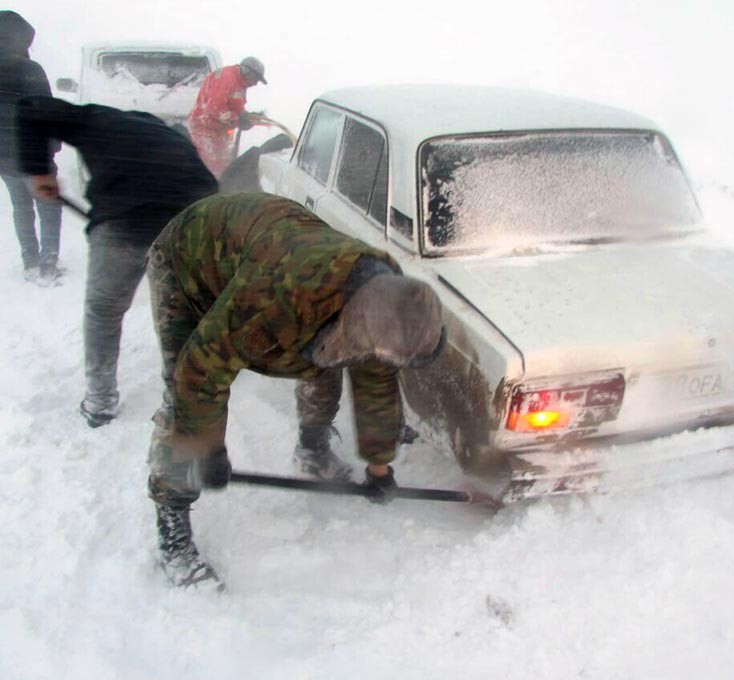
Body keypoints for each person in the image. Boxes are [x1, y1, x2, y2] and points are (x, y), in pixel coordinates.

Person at [146, 192, 445, 589]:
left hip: (269, 248)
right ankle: (173, 530)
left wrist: (379, 464)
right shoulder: (273, 299)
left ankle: (312, 448)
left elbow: (376, 379)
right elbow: (201, 372)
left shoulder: (388, 296)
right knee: (182, 396)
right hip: (188, 260)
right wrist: (207, 449)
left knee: (324, 363)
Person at [15, 96, 219, 427]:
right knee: (182, 315)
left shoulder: (100, 119)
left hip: (128, 223)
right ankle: (183, 402)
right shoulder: (176, 139)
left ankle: (100, 402)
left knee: (104, 311)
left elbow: (30, 107)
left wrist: (38, 170)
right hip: (193, 224)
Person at [0, 11, 62, 283]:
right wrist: (52, 146)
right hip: (33, 154)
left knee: (21, 205)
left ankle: (30, 260)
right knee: (48, 205)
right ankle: (48, 263)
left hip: (5, 157)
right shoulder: (30, 69)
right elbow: (45, 111)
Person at [187, 56, 267, 177]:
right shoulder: (226, 78)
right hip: (204, 130)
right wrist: (237, 119)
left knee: (222, 166)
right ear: (247, 71)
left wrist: (247, 116)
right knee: (209, 167)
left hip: (220, 131)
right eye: (256, 79)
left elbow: (237, 107)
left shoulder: (241, 83)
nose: (256, 84)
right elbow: (215, 109)